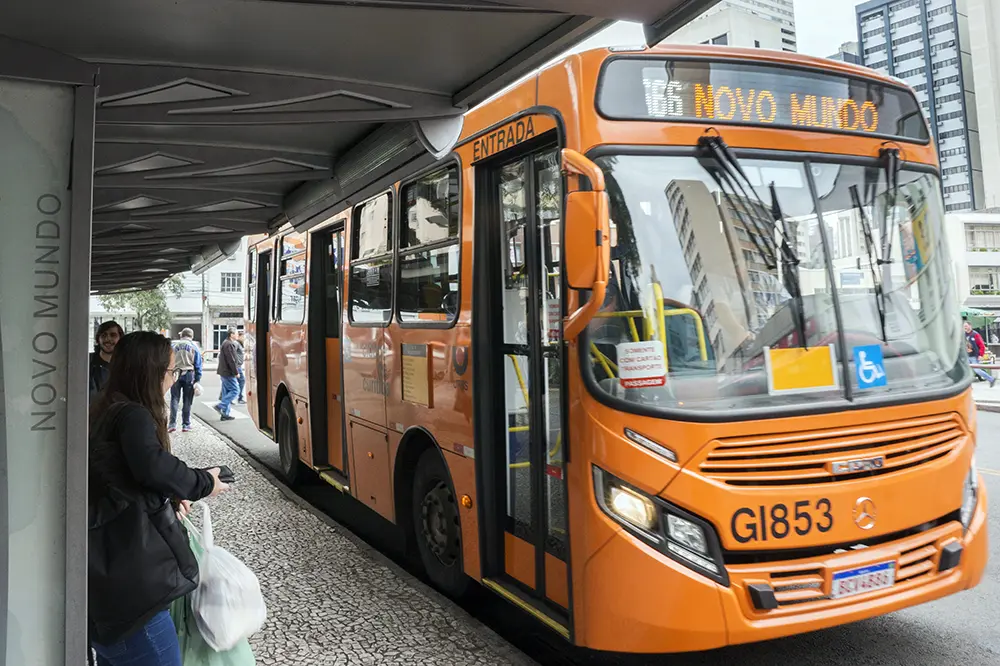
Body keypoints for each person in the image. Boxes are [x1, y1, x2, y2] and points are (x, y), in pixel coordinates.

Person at [88, 331, 230, 666]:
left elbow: (123, 477)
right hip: (134, 594)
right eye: (170, 371)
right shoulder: (133, 414)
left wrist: (167, 493)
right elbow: (153, 467)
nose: (174, 378)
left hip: (107, 589)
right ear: (149, 373)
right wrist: (203, 483)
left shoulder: (102, 409)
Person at [169, 328, 203, 433]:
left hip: (175, 373)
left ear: (181, 335)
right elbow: (198, 364)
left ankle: (172, 424)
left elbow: (168, 360)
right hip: (189, 374)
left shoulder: (174, 346)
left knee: (174, 399)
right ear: (191, 336)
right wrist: (197, 379)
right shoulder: (194, 347)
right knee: (187, 400)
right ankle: (185, 424)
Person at [89, 320, 124, 399]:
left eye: (113, 335)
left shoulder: (126, 364)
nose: (108, 339)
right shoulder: (87, 362)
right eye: (104, 335)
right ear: (98, 339)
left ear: (120, 339)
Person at [216, 328, 240, 422]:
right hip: (228, 372)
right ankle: (221, 406)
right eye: (236, 333)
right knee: (235, 390)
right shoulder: (229, 344)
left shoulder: (226, 343)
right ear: (231, 334)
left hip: (224, 371)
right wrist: (236, 372)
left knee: (226, 392)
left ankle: (225, 414)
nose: (238, 335)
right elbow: (231, 360)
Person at [964, 320, 995, 387]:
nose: (965, 327)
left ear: (970, 326)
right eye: (964, 326)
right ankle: (967, 385)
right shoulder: (964, 334)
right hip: (966, 355)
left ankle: (991, 379)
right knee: (964, 370)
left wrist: (981, 355)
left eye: (966, 326)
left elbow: (982, 345)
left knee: (977, 370)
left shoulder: (975, 335)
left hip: (974, 356)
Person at [236, 331, 247, 404]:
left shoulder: (239, 344)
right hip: (237, 366)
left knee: (230, 381)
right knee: (242, 380)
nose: (244, 338)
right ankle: (240, 397)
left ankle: (223, 396)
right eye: (243, 337)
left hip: (237, 365)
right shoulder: (236, 344)